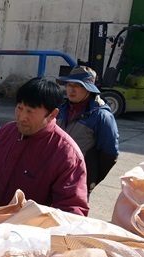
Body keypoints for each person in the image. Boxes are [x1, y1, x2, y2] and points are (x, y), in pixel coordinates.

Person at [0, 78, 89, 216]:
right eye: (20, 108)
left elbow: (71, 212)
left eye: (30, 111)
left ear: (52, 114)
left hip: (25, 236)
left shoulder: (66, 155)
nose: (22, 117)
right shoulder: (6, 132)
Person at [56, 66, 119, 196]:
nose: (71, 90)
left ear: (88, 89)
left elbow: (110, 154)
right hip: (54, 175)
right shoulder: (60, 110)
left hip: (78, 182)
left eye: (77, 86)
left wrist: (90, 179)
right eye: (69, 85)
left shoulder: (101, 117)